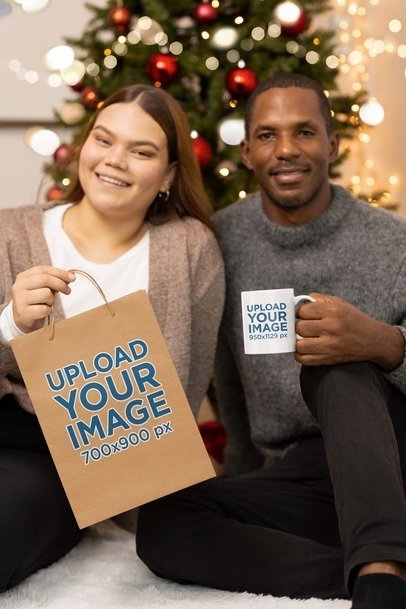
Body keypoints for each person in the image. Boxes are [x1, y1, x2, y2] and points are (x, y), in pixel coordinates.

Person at [136, 73, 406, 609]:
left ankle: (381, 578)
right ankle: (368, 568)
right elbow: (227, 377)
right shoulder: (223, 240)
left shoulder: (391, 241)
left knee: (332, 362)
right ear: (247, 152)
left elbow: (372, 354)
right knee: (165, 521)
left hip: (392, 456)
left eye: (304, 132)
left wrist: (382, 342)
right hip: (307, 475)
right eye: (267, 136)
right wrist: (241, 476)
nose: (286, 151)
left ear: (333, 142)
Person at [0, 83, 224, 591]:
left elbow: (185, 390)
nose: (115, 161)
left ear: (168, 174)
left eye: (142, 151)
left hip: (93, 459)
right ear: (84, 146)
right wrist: (11, 324)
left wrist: (124, 481)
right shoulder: (9, 234)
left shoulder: (191, 250)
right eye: (104, 140)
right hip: (15, 431)